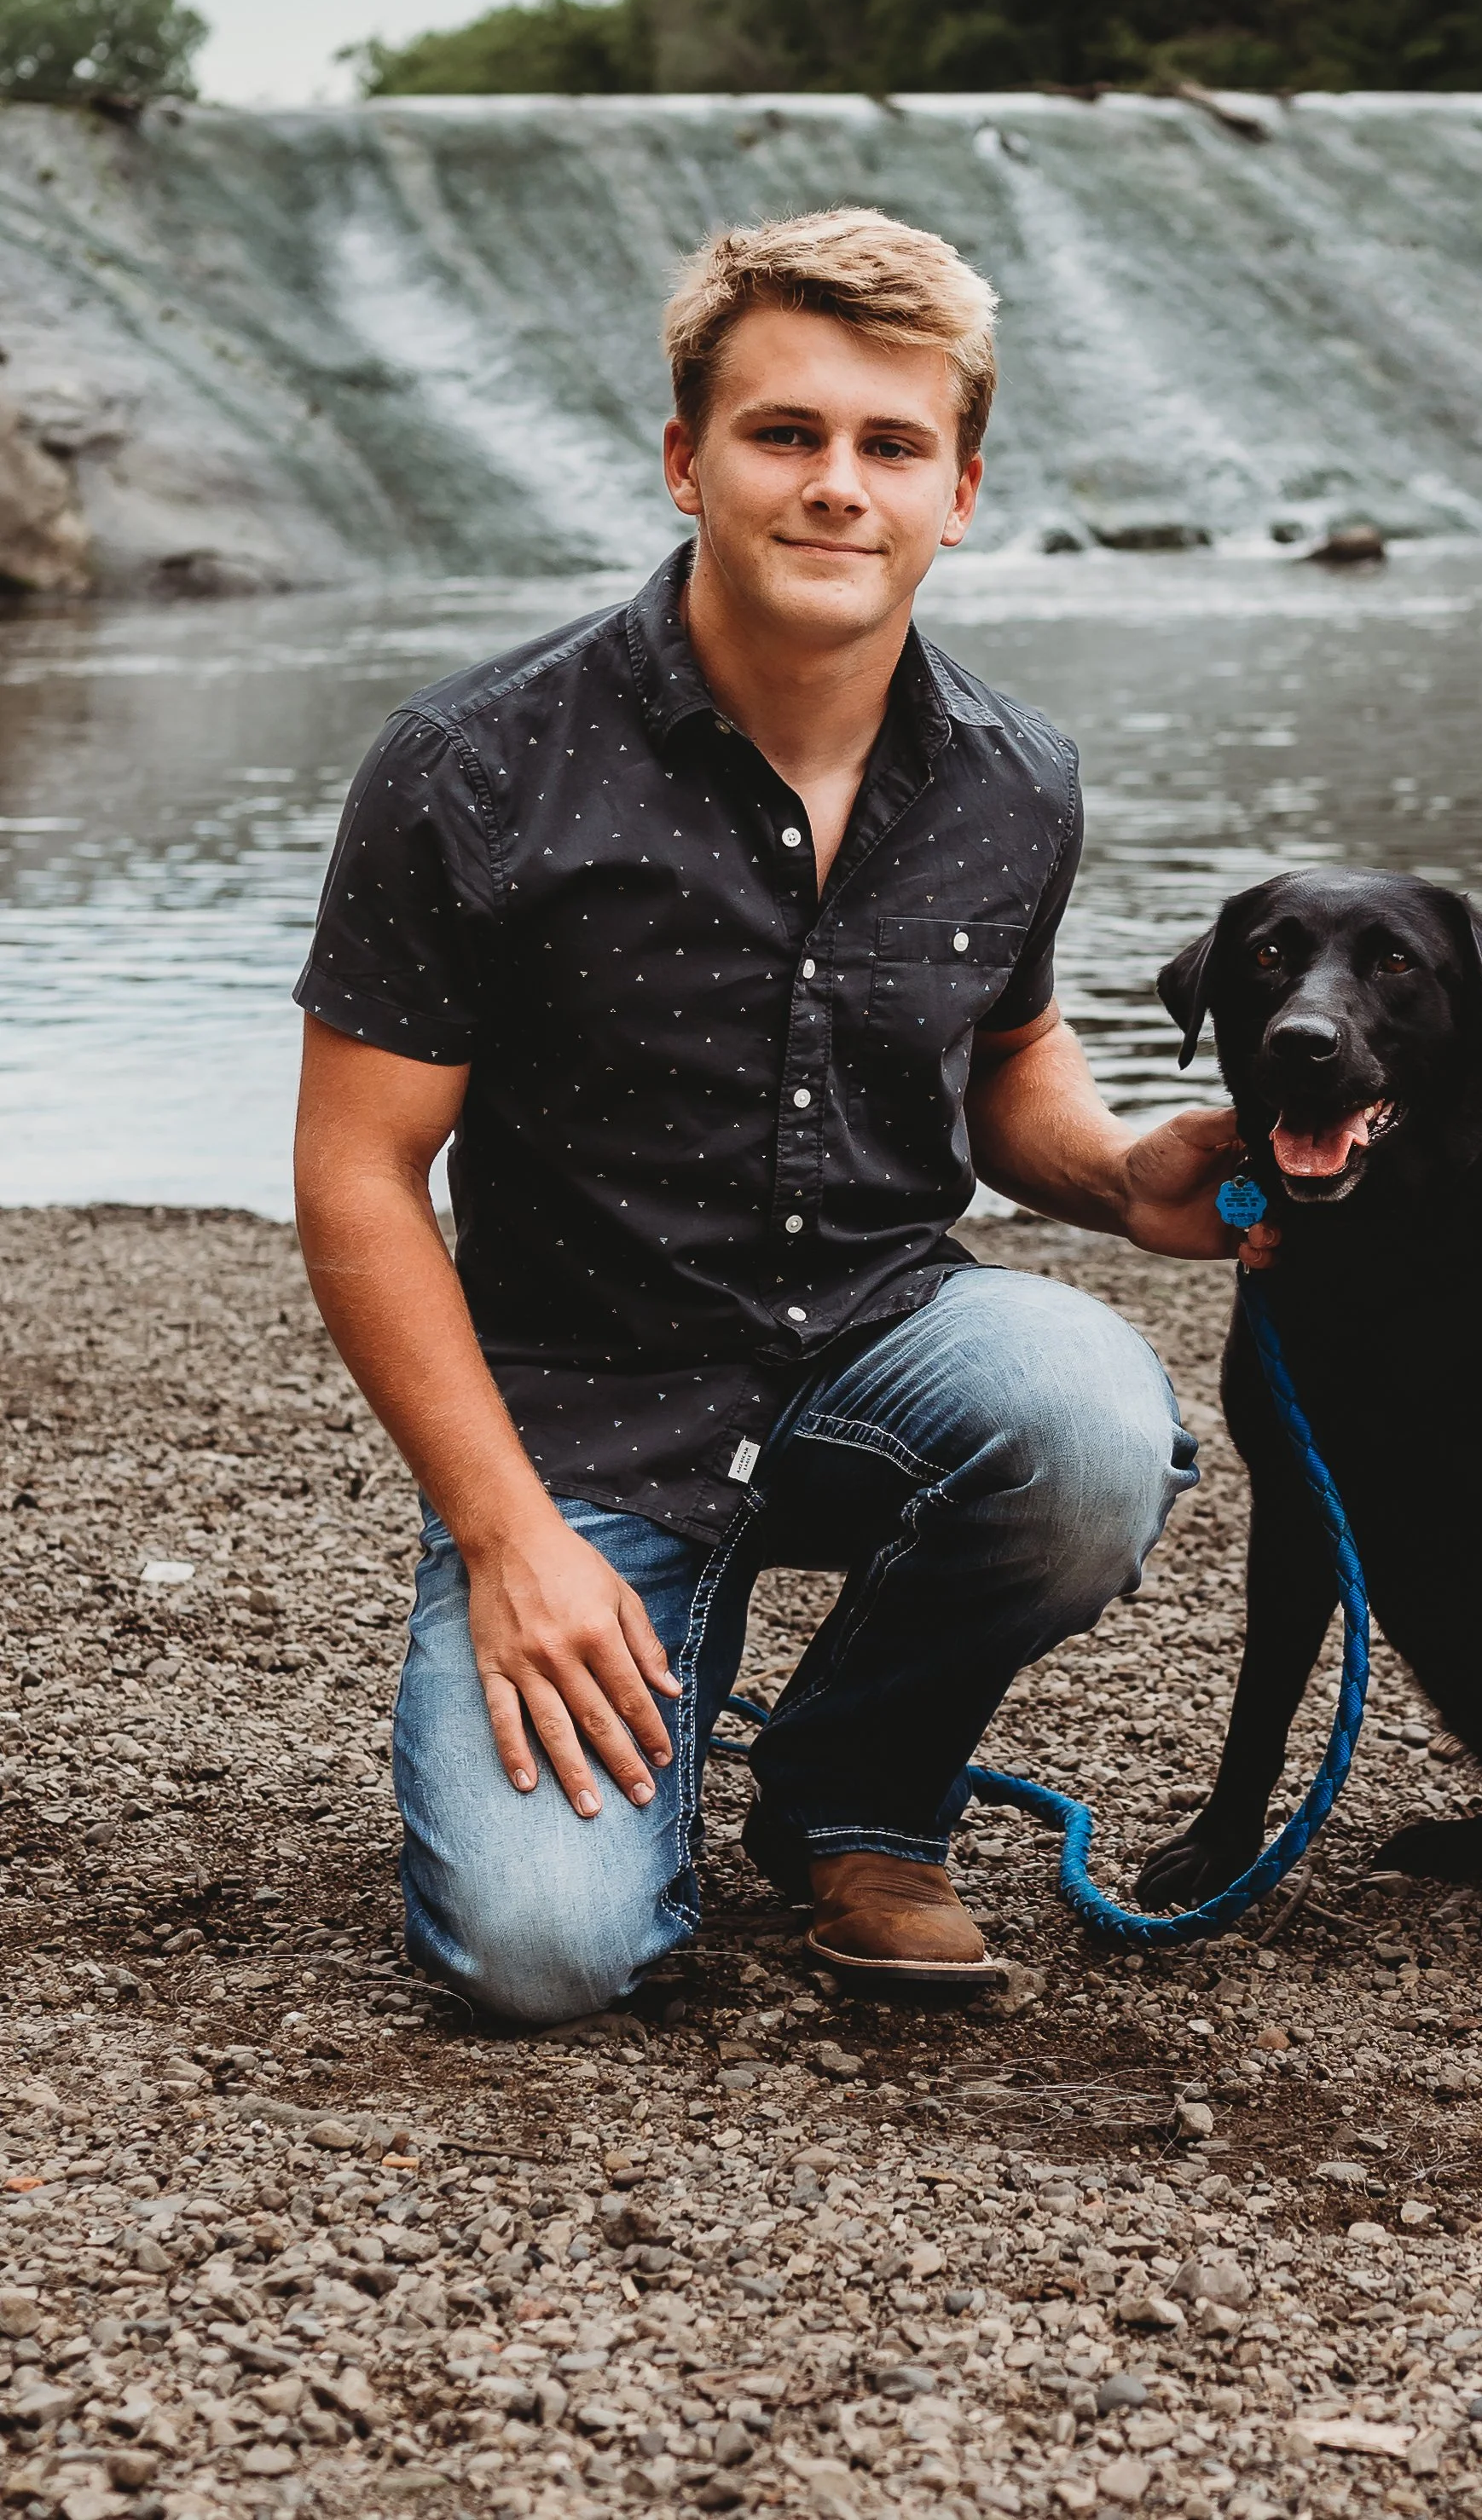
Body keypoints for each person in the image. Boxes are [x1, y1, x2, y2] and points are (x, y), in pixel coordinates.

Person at [292, 206, 1247, 2022]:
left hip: (878, 1355)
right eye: (784, 433)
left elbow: (1005, 1064)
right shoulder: (469, 765)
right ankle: (621, 1657)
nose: (837, 486)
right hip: (581, 1422)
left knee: (1090, 1420)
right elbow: (355, 1176)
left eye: (890, 445)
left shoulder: (1015, 774)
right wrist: (507, 1537)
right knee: (546, 1958)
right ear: (685, 461)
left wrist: (1127, 1174)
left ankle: (854, 1791)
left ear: (958, 491)